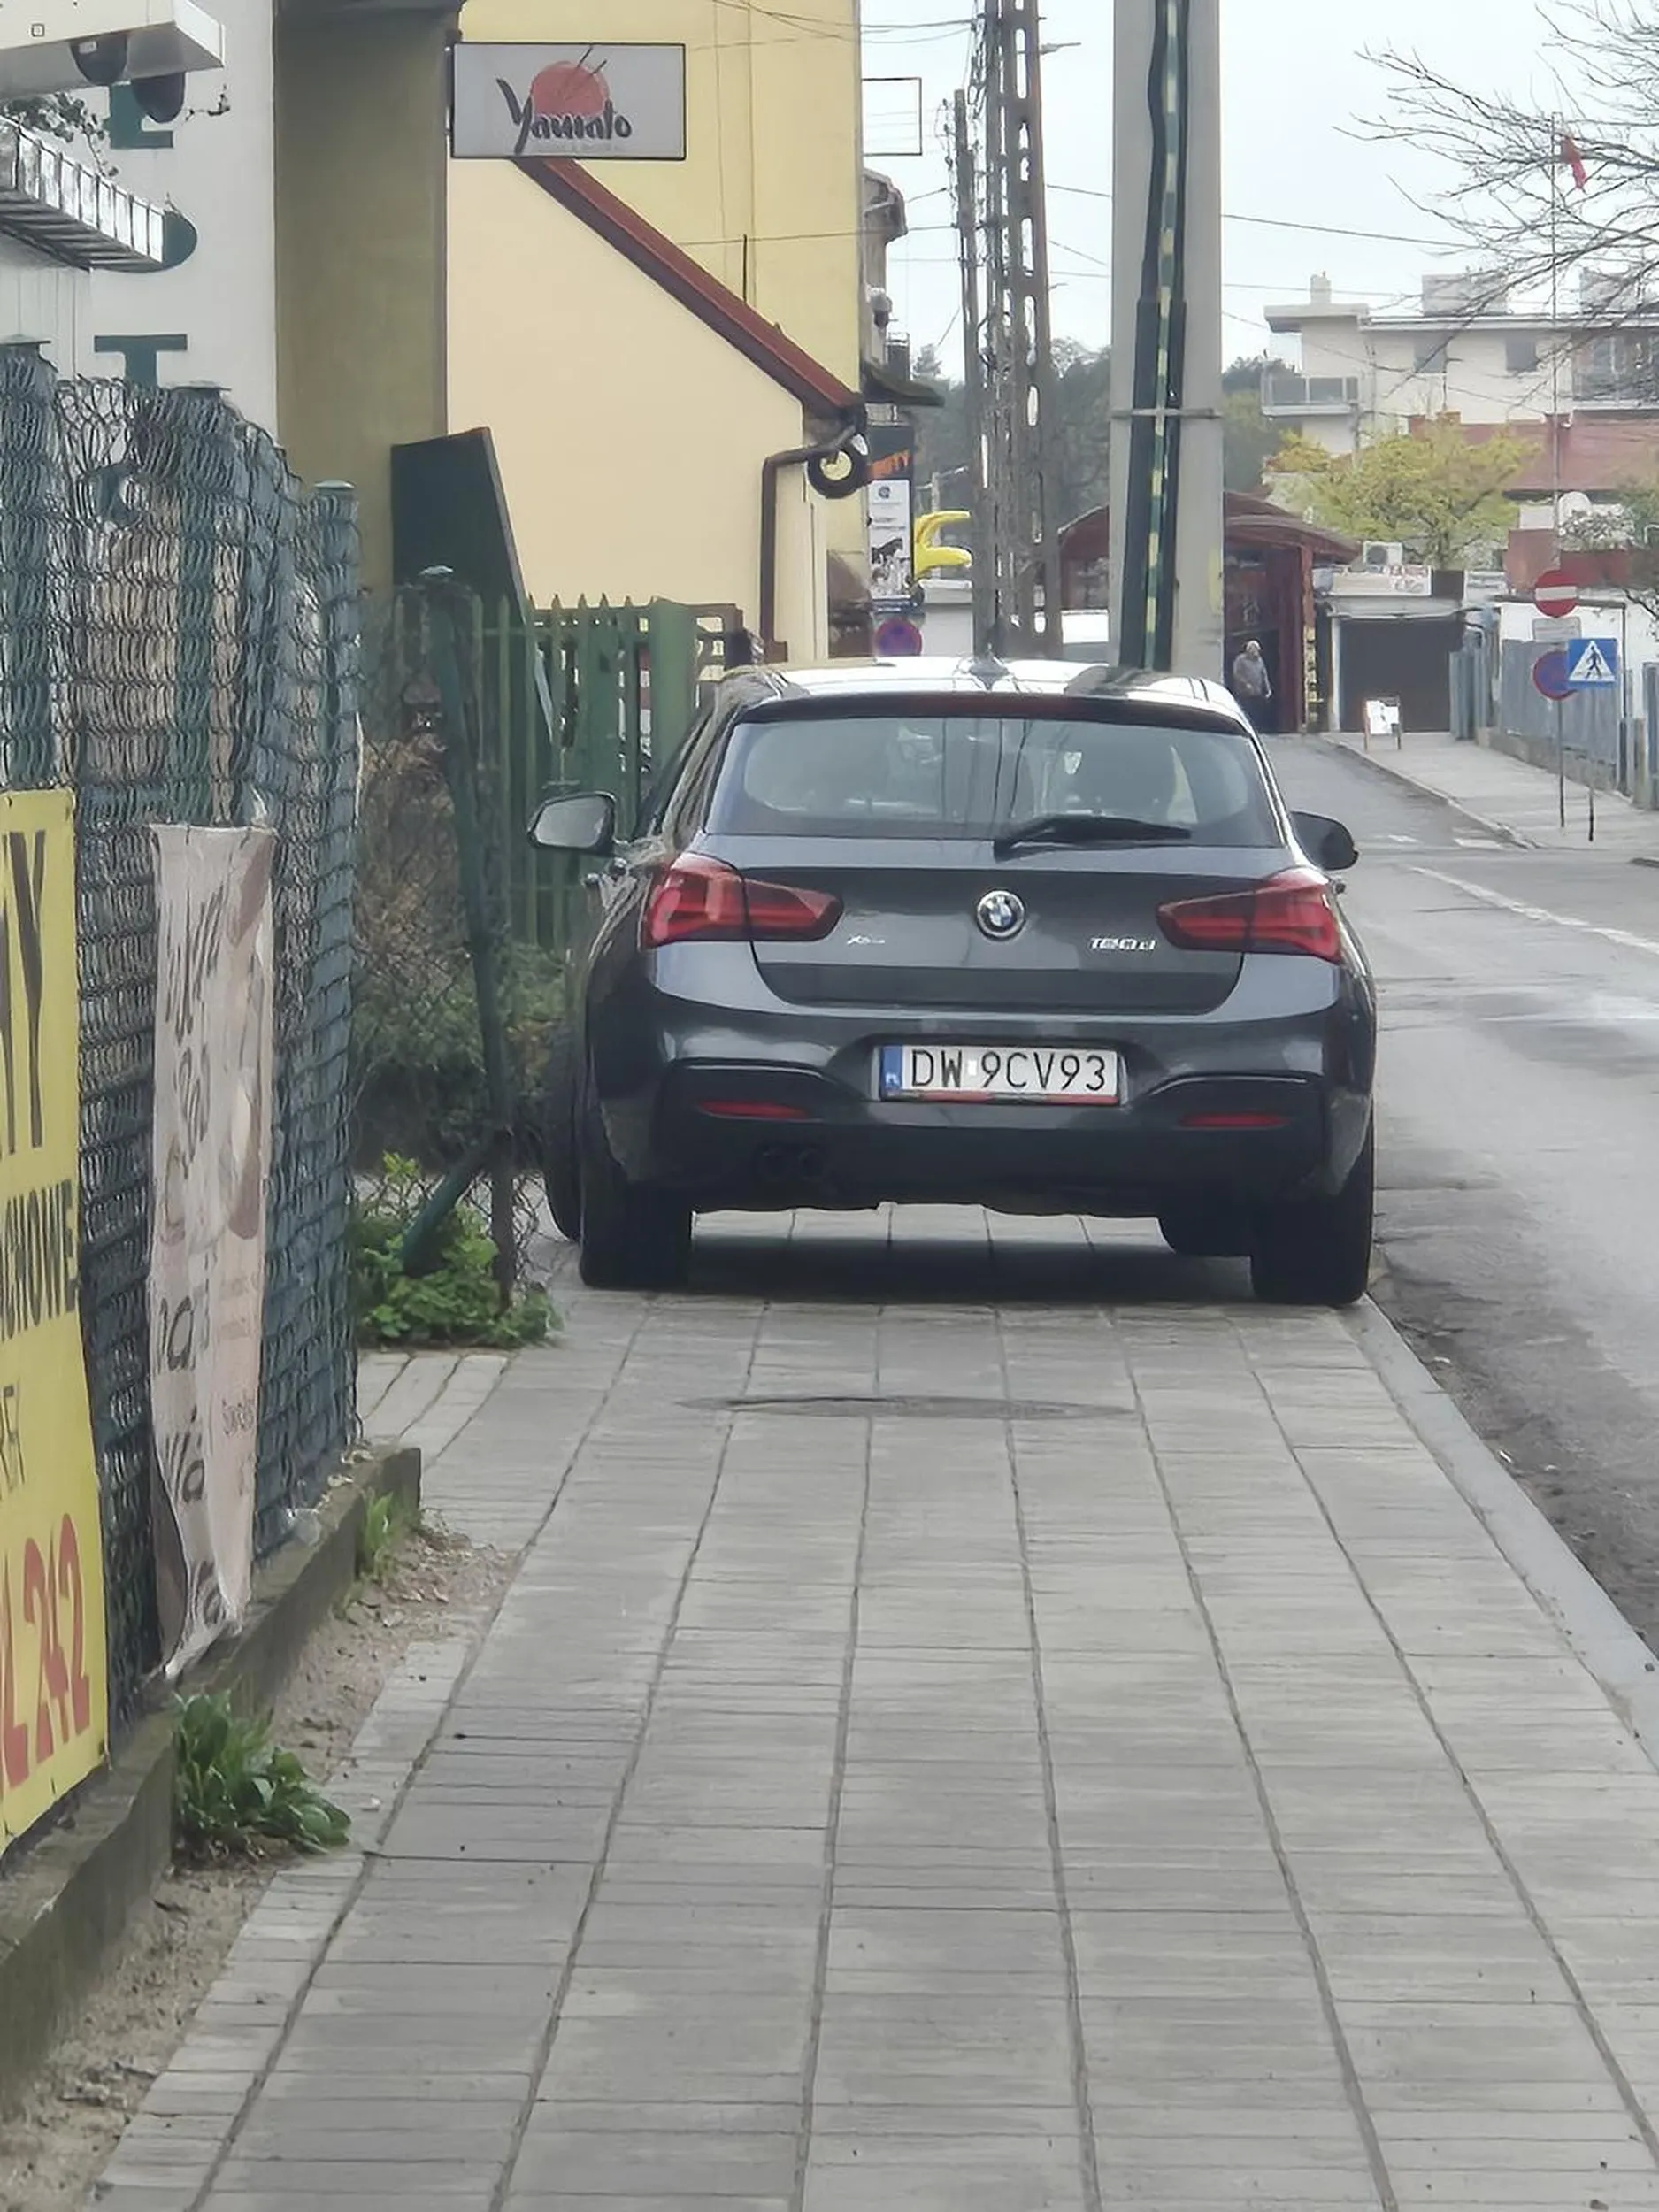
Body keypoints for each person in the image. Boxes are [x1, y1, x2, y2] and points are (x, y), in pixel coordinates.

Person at [1231, 639, 1273, 733]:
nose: (1256, 652)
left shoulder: (1260, 661)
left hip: (1257, 692)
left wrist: (1268, 689)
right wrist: (1245, 683)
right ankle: (1245, 730)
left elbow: (1264, 674)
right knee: (1245, 711)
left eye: (1257, 650)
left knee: (1256, 712)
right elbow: (1236, 674)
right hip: (1244, 693)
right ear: (1248, 650)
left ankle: (1256, 729)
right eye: (1253, 649)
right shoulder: (1240, 660)